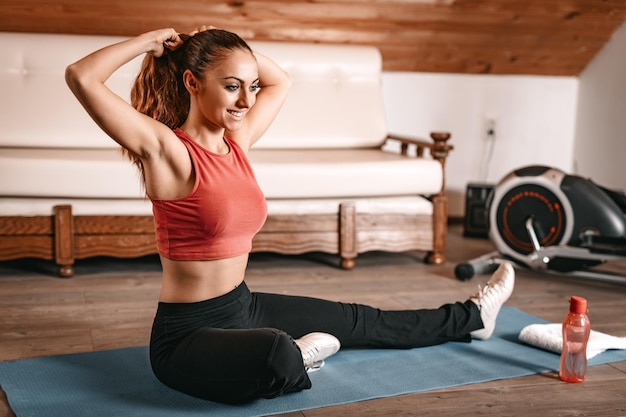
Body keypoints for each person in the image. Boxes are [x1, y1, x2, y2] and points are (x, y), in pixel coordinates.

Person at [65, 26, 515, 405]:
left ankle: (471, 318)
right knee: (275, 353)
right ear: (191, 82)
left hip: (243, 305)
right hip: (185, 336)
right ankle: (296, 358)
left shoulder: (237, 142)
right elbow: (81, 76)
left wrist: (218, 47)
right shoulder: (167, 150)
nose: (245, 100)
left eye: (249, 85)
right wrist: (148, 42)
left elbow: (280, 80)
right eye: (231, 85)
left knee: (355, 318)